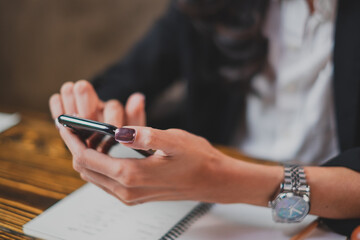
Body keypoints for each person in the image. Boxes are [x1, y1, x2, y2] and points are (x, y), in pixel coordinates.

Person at [49, 0, 360, 237]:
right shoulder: (209, 5)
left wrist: (224, 179)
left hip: (327, 211)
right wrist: (98, 112)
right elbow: (119, 83)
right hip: (205, 206)